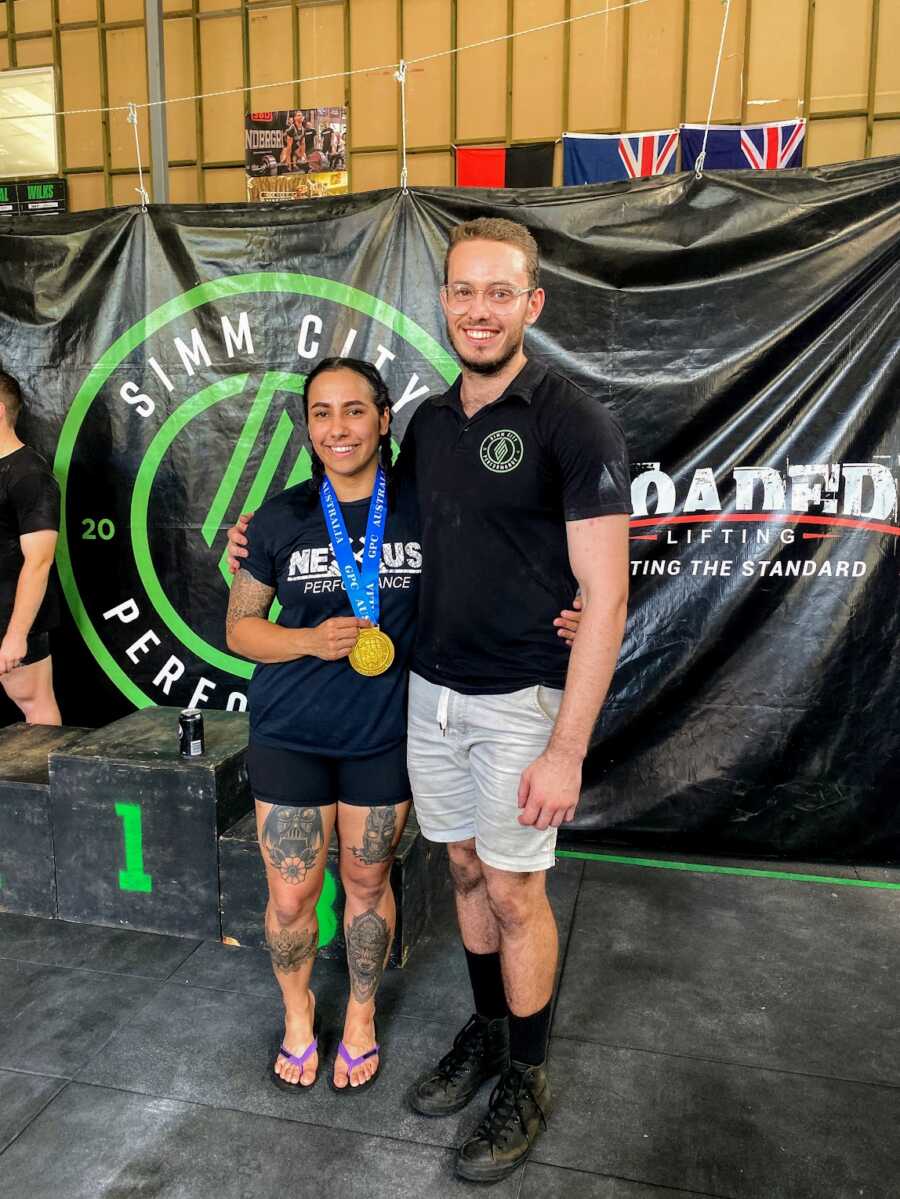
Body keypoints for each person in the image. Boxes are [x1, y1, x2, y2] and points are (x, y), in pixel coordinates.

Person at [228, 217, 628, 1180]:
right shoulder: (432, 427)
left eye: (500, 293)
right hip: (430, 702)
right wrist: (259, 541)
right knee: (459, 873)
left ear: (532, 303)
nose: (478, 309)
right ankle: (489, 1033)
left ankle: (526, 1075)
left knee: (516, 887)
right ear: (442, 302)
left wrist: (568, 745)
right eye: (462, 292)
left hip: (519, 701)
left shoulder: (572, 418)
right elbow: (409, 547)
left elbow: (607, 588)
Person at [226, 355, 582, 1096]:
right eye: (321, 413)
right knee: (291, 894)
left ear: (385, 419)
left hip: (385, 732)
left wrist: (578, 606)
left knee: (365, 879)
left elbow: (515, 553)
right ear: (308, 427)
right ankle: (298, 1015)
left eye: (354, 409)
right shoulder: (281, 517)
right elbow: (240, 629)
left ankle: (359, 1016)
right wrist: (306, 638)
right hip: (290, 728)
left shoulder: (429, 507)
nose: (338, 427)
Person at [0, 370, 62, 725]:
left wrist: (15, 635)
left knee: (35, 707)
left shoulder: (30, 476)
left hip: (9, 619)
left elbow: (39, 562)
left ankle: (45, 782)